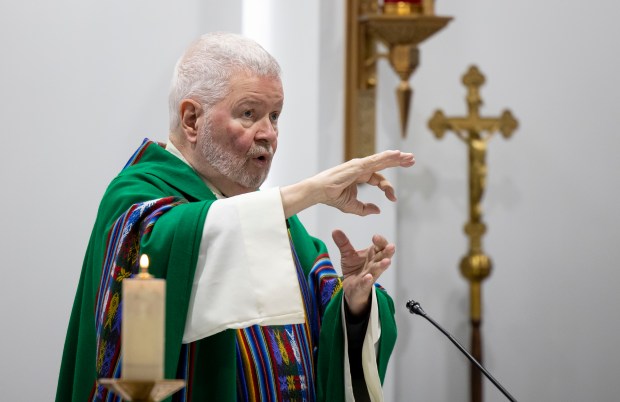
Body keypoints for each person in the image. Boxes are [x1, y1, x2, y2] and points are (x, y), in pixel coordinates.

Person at [55, 32, 415, 402]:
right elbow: (169, 247)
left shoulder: (273, 220)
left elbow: (326, 332)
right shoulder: (137, 196)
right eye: (249, 114)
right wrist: (313, 191)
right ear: (192, 119)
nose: (269, 135)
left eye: (275, 116)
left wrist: (354, 302)